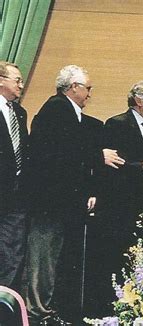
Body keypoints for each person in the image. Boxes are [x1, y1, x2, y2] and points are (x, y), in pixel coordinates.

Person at [26, 65, 104, 325]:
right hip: (50, 201)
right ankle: (39, 312)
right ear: (73, 87)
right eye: (87, 88)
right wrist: (98, 155)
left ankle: (44, 309)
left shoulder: (64, 110)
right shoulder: (58, 108)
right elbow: (64, 152)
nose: (89, 94)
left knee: (49, 257)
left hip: (56, 201)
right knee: (44, 257)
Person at [88, 81, 143, 316]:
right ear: (138, 100)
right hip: (118, 205)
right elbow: (109, 165)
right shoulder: (116, 124)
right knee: (114, 259)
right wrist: (139, 168)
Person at [0, 61, 28, 293]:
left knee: (13, 251)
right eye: (17, 80)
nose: (21, 84)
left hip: (15, 195)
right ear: (1, 81)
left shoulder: (19, 112)